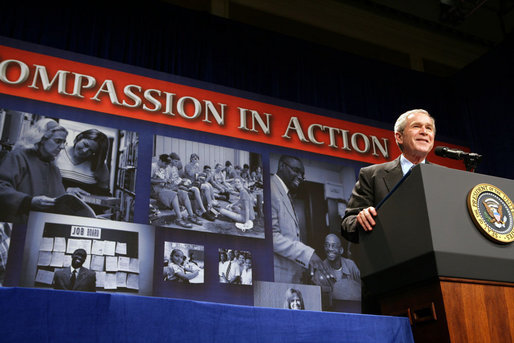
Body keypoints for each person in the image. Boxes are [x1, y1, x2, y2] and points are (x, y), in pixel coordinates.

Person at [341, 109, 435, 243]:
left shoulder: (445, 177)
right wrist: (361, 220)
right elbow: (348, 224)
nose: (424, 132)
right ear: (399, 137)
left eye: (429, 128)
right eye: (416, 126)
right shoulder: (371, 175)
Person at [271, 155, 332, 284]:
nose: (300, 176)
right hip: (277, 276)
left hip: (291, 275)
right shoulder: (271, 188)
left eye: (302, 174)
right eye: (296, 170)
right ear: (282, 165)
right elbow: (272, 237)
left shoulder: (286, 195)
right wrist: (307, 254)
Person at [0, 119, 68, 223]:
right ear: (42, 139)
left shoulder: (54, 168)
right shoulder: (18, 156)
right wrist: (29, 201)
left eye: (64, 142)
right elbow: (2, 187)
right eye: (58, 141)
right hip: (16, 224)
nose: (62, 147)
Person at [55, 129, 110, 197]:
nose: (84, 151)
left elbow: (103, 194)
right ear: (79, 138)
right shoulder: (58, 152)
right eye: (85, 144)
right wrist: (66, 189)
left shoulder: (99, 166)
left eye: (91, 151)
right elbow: (43, 182)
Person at [150, 154, 194, 228]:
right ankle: (179, 219)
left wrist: (169, 181)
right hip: (155, 191)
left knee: (183, 193)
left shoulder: (165, 168)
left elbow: (167, 180)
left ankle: (191, 216)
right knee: (174, 195)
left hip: (165, 189)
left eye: (167, 164)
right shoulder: (153, 166)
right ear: (160, 160)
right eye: (165, 163)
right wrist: (161, 180)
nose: (166, 166)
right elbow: (148, 180)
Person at [168, 153, 215, 221]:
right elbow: (191, 174)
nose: (195, 160)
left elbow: (178, 177)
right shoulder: (187, 166)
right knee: (196, 189)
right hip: (186, 183)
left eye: (196, 158)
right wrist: (184, 180)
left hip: (189, 182)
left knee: (208, 186)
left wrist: (184, 180)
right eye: (193, 158)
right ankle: (203, 212)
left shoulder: (175, 168)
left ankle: (209, 208)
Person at [318, 234, 361, 301]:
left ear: (341, 250)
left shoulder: (350, 265)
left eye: (333, 246)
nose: (330, 249)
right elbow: (319, 298)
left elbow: (362, 288)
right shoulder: (320, 269)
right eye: (327, 245)